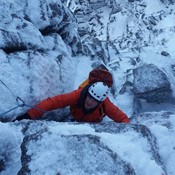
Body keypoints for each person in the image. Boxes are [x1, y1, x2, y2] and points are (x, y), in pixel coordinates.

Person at [15, 82, 130, 123]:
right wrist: (29, 115)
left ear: (100, 102)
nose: (90, 102)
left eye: (95, 101)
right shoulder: (77, 95)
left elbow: (123, 118)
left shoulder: (105, 104)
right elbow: (53, 102)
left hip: (93, 124)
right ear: (87, 93)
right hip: (76, 118)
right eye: (89, 97)